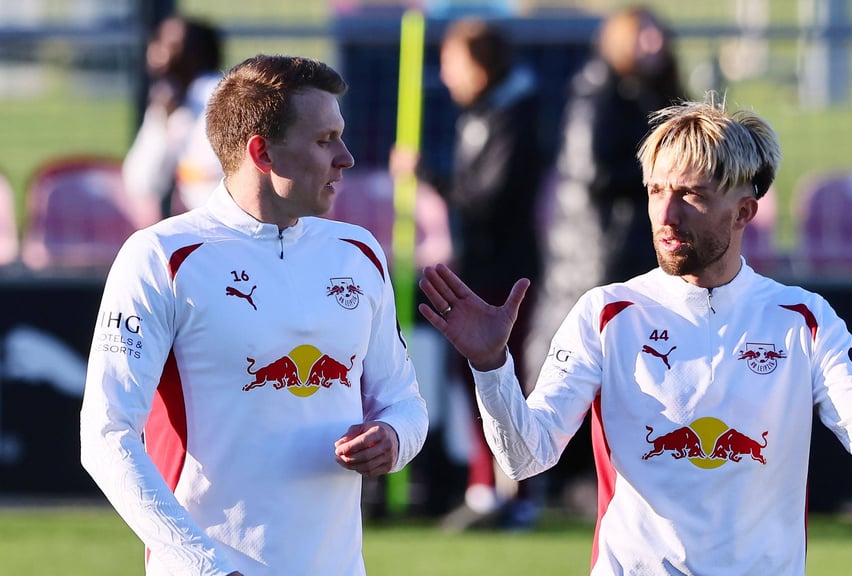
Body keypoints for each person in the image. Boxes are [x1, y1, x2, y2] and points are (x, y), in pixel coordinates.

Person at [417, 96, 852, 575]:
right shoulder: (608, 313)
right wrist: (491, 367)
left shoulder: (801, 318)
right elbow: (525, 456)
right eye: (656, 190)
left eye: (691, 194)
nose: (666, 213)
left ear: (744, 212)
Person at [81, 54, 428, 575]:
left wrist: (394, 439)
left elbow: (404, 402)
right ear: (262, 152)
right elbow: (105, 436)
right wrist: (205, 565)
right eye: (323, 139)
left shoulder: (359, 252)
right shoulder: (161, 256)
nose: (346, 158)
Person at [392, 17, 544, 530]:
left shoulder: (515, 118)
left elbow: (488, 199)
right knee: (471, 376)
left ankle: (516, 492)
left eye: (453, 63)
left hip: (506, 272)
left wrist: (427, 175)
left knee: (504, 376)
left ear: (481, 64)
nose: (446, 75)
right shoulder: (478, 116)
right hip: (476, 266)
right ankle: (485, 485)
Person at [525, 6, 687, 398]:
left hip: (630, 253)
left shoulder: (652, 94)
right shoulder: (597, 92)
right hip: (595, 258)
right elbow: (592, 169)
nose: (656, 43)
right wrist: (665, 177)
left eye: (657, 33)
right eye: (642, 34)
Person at [122, 15, 224, 217]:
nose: (156, 53)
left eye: (173, 46)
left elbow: (213, 177)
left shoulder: (219, 96)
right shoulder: (168, 103)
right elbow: (141, 183)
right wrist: (162, 122)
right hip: (199, 219)